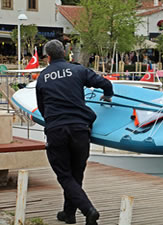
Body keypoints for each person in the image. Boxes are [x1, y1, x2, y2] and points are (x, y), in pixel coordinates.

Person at [36, 39, 113, 225]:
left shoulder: (42, 78)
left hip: (57, 130)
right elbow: (104, 83)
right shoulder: (78, 70)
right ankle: (68, 214)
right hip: (80, 129)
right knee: (76, 175)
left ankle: (89, 210)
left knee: (64, 175)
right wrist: (108, 95)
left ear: (47, 57)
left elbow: (42, 109)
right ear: (65, 52)